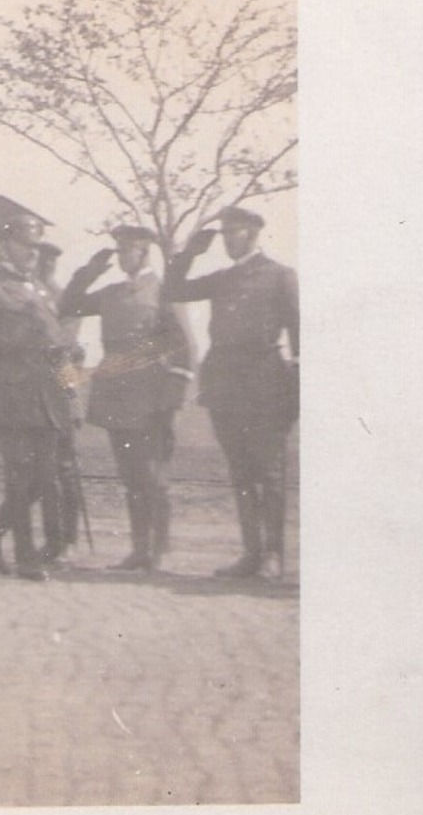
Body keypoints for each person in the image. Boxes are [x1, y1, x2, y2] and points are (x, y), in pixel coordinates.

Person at [163, 206, 299, 579]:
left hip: (265, 384)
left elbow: (300, 337)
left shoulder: (280, 277)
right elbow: (173, 289)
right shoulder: (222, 278)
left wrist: (296, 391)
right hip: (225, 385)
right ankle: (251, 554)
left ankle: (273, 555)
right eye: (223, 233)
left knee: (269, 473)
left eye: (232, 232)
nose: (226, 240)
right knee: (240, 472)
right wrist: (189, 253)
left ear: (253, 233)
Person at [59, 225, 196, 572]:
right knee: (131, 475)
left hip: (152, 393)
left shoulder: (163, 291)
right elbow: (69, 303)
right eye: (118, 251)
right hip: (117, 391)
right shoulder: (111, 293)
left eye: (127, 251)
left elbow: (184, 345)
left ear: (144, 252)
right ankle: (139, 549)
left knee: (153, 476)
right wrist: (89, 271)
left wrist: (174, 398)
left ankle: (159, 549)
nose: (122, 257)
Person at [0, 200, 75, 580]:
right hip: (8, 395)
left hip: (46, 396)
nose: (32, 254)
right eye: (26, 246)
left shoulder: (42, 291)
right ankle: (26, 557)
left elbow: (58, 346)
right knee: (20, 477)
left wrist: (70, 393)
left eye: (36, 248)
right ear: (6, 246)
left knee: (46, 479)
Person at [36, 241, 86, 560]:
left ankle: (67, 539)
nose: (45, 265)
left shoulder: (66, 298)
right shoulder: (25, 294)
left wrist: (73, 398)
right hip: (29, 391)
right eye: (42, 259)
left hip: (59, 386)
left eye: (51, 260)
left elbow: (65, 350)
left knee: (64, 469)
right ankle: (51, 539)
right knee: (41, 471)